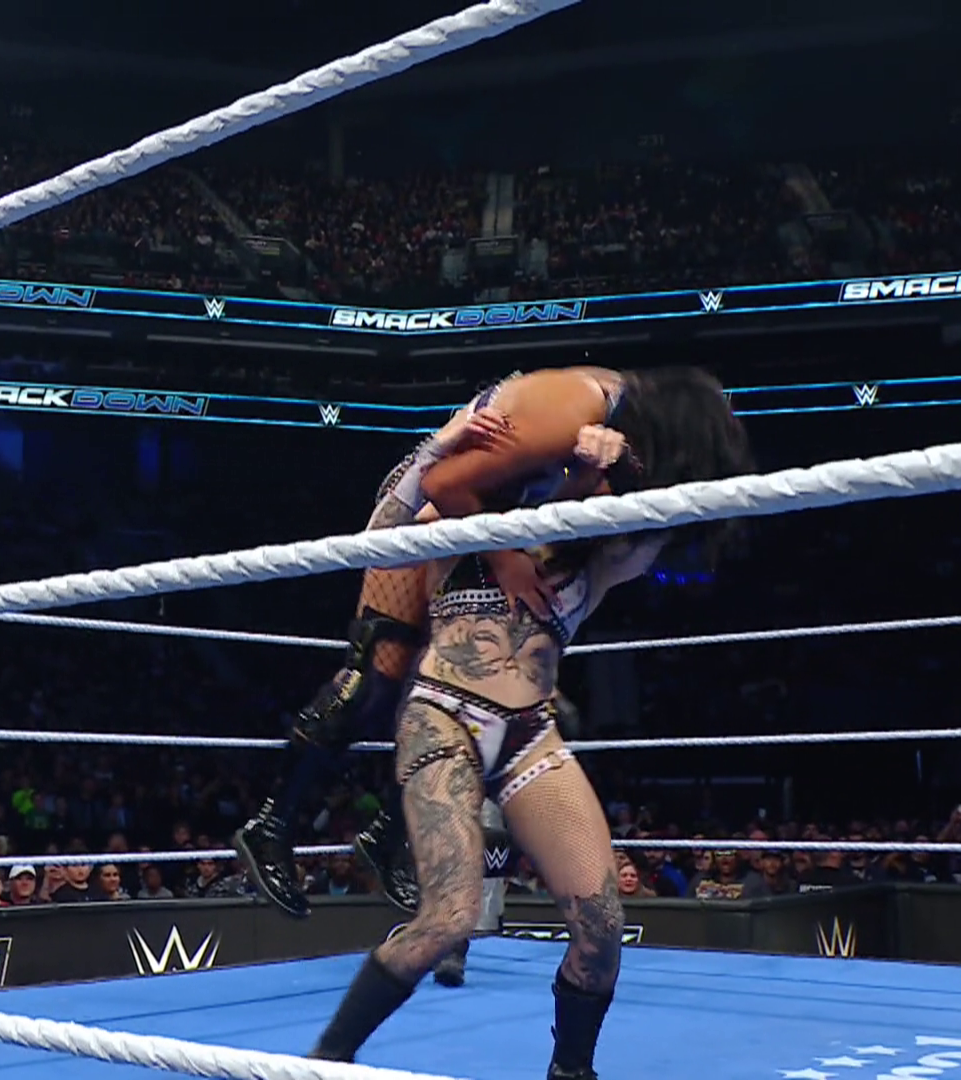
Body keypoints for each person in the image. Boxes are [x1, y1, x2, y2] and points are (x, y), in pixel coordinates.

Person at [306, 369, 752, 1079]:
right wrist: (450, 459)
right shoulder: (463, 518)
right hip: (443, 717)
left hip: (529, 736)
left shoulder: (605, 555)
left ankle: (571, 1073)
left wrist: (625, 469)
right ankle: (328, 1058)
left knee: (602, 928)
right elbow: (390, 531)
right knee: (447, 919)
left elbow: (669, 521)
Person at [235, 366, 719, 920]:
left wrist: (589, 474)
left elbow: (553, 511)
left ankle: (390, 835)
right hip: (436, 514)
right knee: (374, 681)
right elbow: (443, 485)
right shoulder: (582, 403)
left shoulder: (614, 436)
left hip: (479, 523)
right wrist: (506, 557)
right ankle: (272, 826)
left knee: (469, 695)